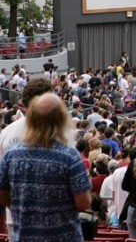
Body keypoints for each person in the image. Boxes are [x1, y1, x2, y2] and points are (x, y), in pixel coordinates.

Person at [0, 92, 91, 241]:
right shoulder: (69, 157)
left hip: (24, 236)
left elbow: (2, 196)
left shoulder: (11, 156)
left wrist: (24, 207)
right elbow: (83, 203)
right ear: (60, 120)